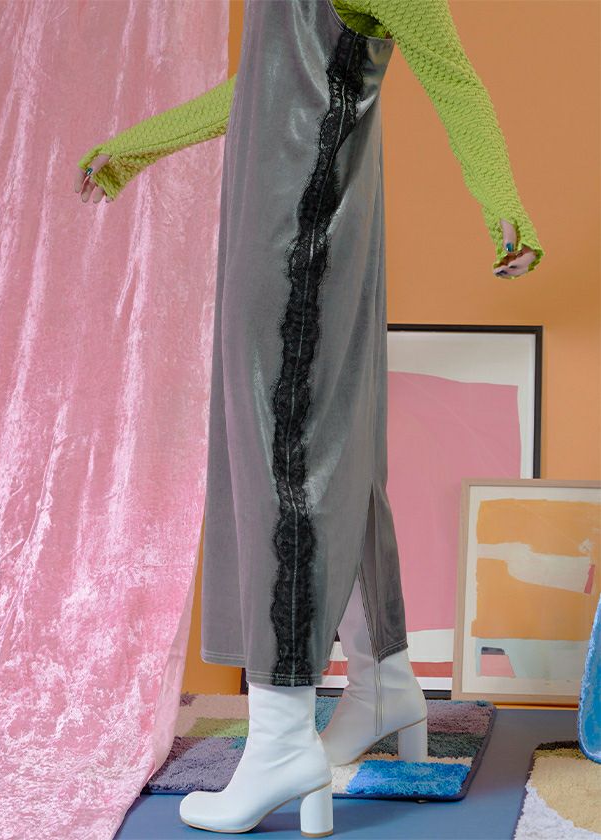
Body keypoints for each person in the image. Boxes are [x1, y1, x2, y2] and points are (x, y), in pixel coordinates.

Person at [75, 0, 544, 835]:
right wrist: (137, 146)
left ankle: (282, 738)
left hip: (301, 238)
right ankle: (383, 680)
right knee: (334, 451)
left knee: (283, 457)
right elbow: (263, 91)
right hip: (279, 228)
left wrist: (501, 206)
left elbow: (455, 81)